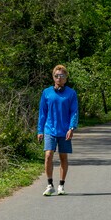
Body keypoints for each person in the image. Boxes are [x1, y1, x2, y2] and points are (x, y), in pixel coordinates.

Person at [37, 64, 79, 196]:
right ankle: (50, 184)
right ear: (53, 77)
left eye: (62, 76)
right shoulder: (47, 92)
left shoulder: (71, 93)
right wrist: (40, 130)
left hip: (64, 130)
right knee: (48, 155)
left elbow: (74, 112)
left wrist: (71, 127)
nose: (59, 78)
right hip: (50, 129)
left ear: (66, 78)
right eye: (56, 76)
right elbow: (42, 113)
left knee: (63, 157)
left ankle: (61, 185)